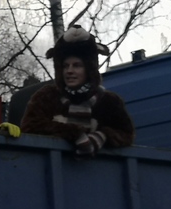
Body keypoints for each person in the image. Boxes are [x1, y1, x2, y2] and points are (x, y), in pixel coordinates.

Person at [21, 25, 135, 156]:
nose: (69, 71)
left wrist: (101, 136)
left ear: (89, 69)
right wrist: (74, 134)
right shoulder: (47, 97)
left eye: (77, 65)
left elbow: (126, 134)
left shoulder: (108, 102)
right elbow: (29, 127)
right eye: (65, 66)